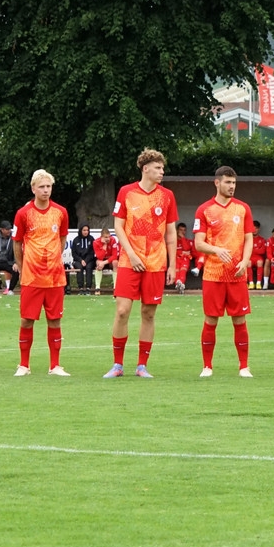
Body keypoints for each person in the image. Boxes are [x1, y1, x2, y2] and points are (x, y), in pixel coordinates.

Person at [104, 149, 178, 378]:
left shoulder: (167, 196)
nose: (162, 172)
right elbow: (118, 226)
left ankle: (141, 366)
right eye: (158, 168)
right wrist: (131, 254)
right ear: (145, 169)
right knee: (122, 311)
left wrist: (172, 265)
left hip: (156, 262)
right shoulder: (126, 192)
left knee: (148, 313)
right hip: (129, 260)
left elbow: (171, 233)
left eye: (162, 168)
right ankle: (117, 365)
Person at [193, 166, 255, 378]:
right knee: (211, 320)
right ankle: (207, 366)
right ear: (217, 183)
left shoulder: (243, 208)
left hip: (237, 274)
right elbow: (199, 243)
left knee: (240, 320)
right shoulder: (204, 210)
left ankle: (244, 366)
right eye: (228, 182)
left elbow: (248, 238)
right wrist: (217, 250)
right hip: (213, 275)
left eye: (234, 183)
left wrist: (245, 261)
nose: (232, 186)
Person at [12, 169, 70, 376]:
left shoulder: (61, 212)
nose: (46, 190)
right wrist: (22, 267)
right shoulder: (23, 213)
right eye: (42, 187)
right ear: (33, 189)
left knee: (54, 320)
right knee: (26, 320)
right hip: (32, 276)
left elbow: (62, 239)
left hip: (55, 277)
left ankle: (55, 365)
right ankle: (24, 365)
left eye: (49, 186)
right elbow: (17, 243)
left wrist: (53, 260)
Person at [0, 220, 19, 295]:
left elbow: (17, 250)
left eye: (9, 229)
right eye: (7, 229)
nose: (9, 230)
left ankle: (10, 290)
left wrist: (15, 262)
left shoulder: (13, 238)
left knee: (16, 271)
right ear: (2, 229)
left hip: (8, 262)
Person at [71, 224, 96, 293]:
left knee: (89, 267)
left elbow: (92, 252)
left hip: (89, 260)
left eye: (87, 230)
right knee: (79, 267)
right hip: (78, 260)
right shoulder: (76, 240)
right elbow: (74, 254)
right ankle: (80, 288)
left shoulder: (91, 239)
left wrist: (86, 260)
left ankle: (88, 288)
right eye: (84, 230)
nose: (86, 232)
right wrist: (81, 260)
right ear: (80, 230)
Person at [93, 227, 119, 293]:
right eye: (106, 237)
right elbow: (99, 257)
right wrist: (104, 246)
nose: (108, 239)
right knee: (98, 263)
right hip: (102, 260)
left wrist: (104, 262)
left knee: (115, 262)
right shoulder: (96, 242)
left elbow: (115, 256)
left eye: (109, 236)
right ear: (102, 237)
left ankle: (115, 288)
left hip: (110, 260)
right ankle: (97, 288)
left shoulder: (113, 240)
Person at [173, 222, 193, 293]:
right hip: (175, 259)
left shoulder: (187, 241)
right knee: (176, 270)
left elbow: (186, 248)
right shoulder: (173, 240)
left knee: (182, 270)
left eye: (184, 230)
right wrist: (181, 253)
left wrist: (183, 238)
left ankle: (181, 284)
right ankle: (178, 284)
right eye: (181, 230)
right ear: (177, 230)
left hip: (184, 259)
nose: (182, 232)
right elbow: (171, 250)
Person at [248, 220, 267, 289]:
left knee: (260, 262)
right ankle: (251, 283)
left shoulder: (262, 240)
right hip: (250, 257)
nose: (254, 230)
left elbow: (262, 251)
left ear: (258, 229)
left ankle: (258, 283)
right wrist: (257, 250)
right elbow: (246, 250)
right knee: (248, 262)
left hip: (258, 258)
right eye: (253, 228)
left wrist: (252, 250)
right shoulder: (247, 239)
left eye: (256, 228)